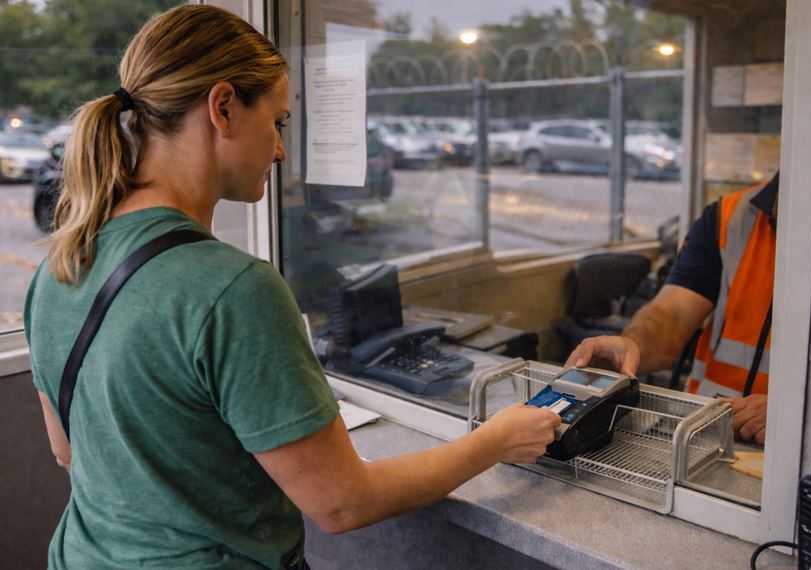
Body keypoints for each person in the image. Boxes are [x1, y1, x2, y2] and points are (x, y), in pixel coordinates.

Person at [24, 5, 561, 569]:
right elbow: (343, 504)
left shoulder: (60, 268)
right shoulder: (232, 290)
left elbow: (69, 452)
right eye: (278, 123)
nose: (281, 151)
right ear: (223, 108)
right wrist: (493, 441)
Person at [565, 172, 779, 446]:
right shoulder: (730, 217)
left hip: (806, 454)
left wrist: (795, 415)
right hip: (704, 430)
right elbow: (672, 315)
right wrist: (631, 347)